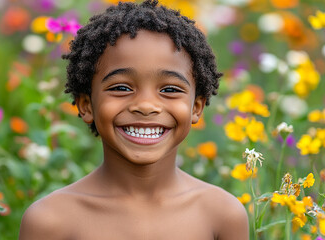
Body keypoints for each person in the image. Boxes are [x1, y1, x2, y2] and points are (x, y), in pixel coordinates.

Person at [19, 0, 249, 239]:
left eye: (169, 90)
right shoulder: (50, 221)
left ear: (197, 107)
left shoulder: (222, 215)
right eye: (121, 87)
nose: (146, 106)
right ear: (86, 104)